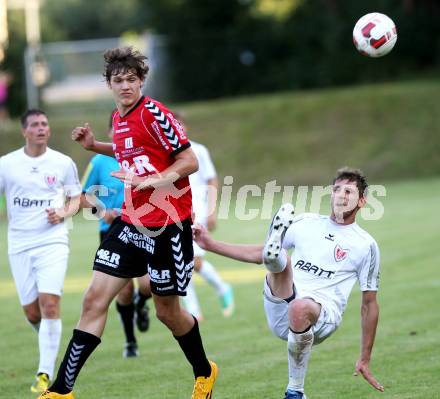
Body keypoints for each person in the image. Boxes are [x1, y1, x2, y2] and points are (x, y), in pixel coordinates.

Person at [39, 46, 217, 399]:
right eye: (118, 80)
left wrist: (155, 180)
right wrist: (94, 146)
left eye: (131, 80)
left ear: (141, 81)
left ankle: (204, 371)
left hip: (168, 225)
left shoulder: (156, 115)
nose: (125, 86)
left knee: (168, 313)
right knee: (93, 300)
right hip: (131, 222)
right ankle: (61, 390)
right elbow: (128, 150)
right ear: (108, 84)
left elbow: (190, 160)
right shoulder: (119, 118)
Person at [194, 168, 383, 399]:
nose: (341, 195)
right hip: (282, 302)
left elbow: (369, 303)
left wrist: (365, 357)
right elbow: (258, 254)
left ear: (362, 201)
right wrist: (209, 244)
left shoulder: (366, 245)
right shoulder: (306, 222)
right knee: (276, 258)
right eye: (336, 189)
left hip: (322, 316)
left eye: (349, 191)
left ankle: (295, 391)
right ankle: (276, 257)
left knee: (298, 303)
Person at [0, 109, 82, 393]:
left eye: (44, 124)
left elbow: (76, 199)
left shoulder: (62, 162)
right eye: (34, 125)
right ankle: (49, 343)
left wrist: (62, 213)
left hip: (53, 242)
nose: (40, 128)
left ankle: (44, 373)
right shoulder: (7, 164)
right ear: (24, 131)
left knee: (50, 305)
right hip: (19, 245)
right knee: (33, 314)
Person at [80, 113, 152, 358]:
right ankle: (130, 342)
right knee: (121, 292)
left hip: (142, 229)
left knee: (147, 286)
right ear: (111, 133)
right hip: (111, 233)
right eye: (117, 129)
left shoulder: (142, 158)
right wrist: (102, 211)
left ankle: (141, 305)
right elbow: (82, 196)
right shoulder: (100, 162)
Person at [176, 114, 234, 320]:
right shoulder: (165, 152)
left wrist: (211, 211)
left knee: (194, 261)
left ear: (186, 126)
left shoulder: (198, 150)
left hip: (197, 210)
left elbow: (211, 180)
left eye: (180, 124)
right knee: (180, 262)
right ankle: (193, 310)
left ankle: (222, 287)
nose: (177, 128)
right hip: (174, 212)